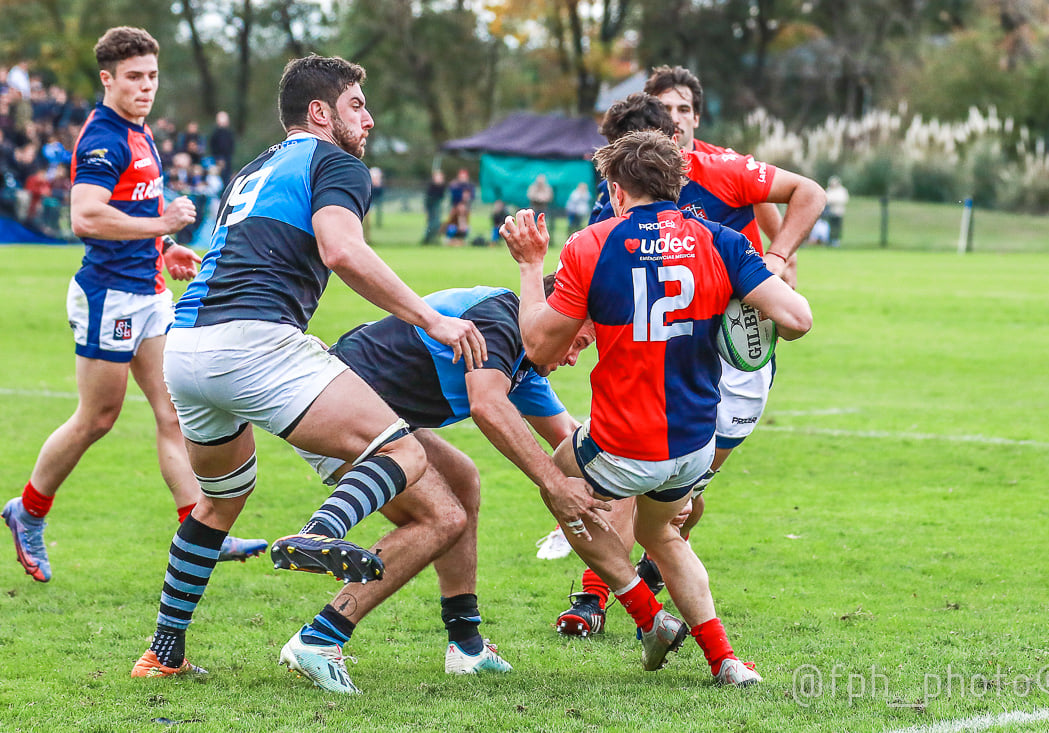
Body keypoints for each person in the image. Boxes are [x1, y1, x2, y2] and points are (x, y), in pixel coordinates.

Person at [129, 54, 487, 685]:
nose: (368, 120)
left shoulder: (255, 168)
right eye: (356, 105)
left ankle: (163, 651)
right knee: (403, 455)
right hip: (254, 342)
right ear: (320, 113)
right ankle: (321, 531)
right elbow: (341, 249)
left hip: (184, 349)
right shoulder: (335, 162)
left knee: (221, 500)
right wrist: (432, 320)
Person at [501, 130, 812, 686]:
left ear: (618, 193)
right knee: (661, 534)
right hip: (695, 448)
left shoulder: (590, 244)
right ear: (679, 182)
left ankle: (647, 616)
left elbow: (540, 348)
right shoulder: (722, 241)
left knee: (554, 478)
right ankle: (726, 662)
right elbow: (797, 320)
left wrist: (529, 267)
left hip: (621, 447)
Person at [548, 86, 824, 628]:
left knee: (675, 494)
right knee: (646, 467)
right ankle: (597, 597)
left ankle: (649, 574)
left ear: (688, 125)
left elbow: (804, 195)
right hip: (664, 345)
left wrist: (776, 256)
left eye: (681, 110)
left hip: (731, 348)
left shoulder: (722, 169)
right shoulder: (624, 194)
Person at [1, 26, 266, 585]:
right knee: (97, 417)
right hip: (109, 296)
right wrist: (161, 223)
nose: (146, 87)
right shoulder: (104, 138)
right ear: (108, 79)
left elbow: (130, 208)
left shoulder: (139, 132)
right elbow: (85, 217)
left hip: (148, 292)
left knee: (175, 412)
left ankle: (200, 531)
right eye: (134, 78)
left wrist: (165, 246)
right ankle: (28, 510)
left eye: (152, 76)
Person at [279, 282, 608, 688]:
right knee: (442, 517)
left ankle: (466, 645)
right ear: (552, 319)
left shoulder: (524, 363)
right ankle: (320, 637)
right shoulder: (498, 319)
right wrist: (554, 484)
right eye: (576, 342)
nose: (574, 358)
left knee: (462, 478)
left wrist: (656, 484)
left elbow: (571, 439)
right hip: (336, 412)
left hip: (377, 421)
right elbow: (487, 405)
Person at [421, 169, 446, 244]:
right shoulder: (431, 186)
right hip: (431, 207)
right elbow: (428, 200)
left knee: (436, 223)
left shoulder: (442, 186)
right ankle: (427, 238)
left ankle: (432, 239)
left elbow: (441, 196)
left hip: (437, 207)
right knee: (432, 223)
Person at [208, 110, 235, 177]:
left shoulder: (229, 133)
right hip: (217, 159)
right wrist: (218, 159)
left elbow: (231, 146)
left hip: (227, 159)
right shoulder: (216, 134)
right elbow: (213, 147)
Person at [824, 176, 849, 246]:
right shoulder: (829, 190)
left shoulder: (842, 190)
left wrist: (833, 201)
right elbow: (826, 199)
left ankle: (837, 241)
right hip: (830, 212)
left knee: (837, 227)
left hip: (838, 212)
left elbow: (843, 200)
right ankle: (830, 240)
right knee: (830, 227)